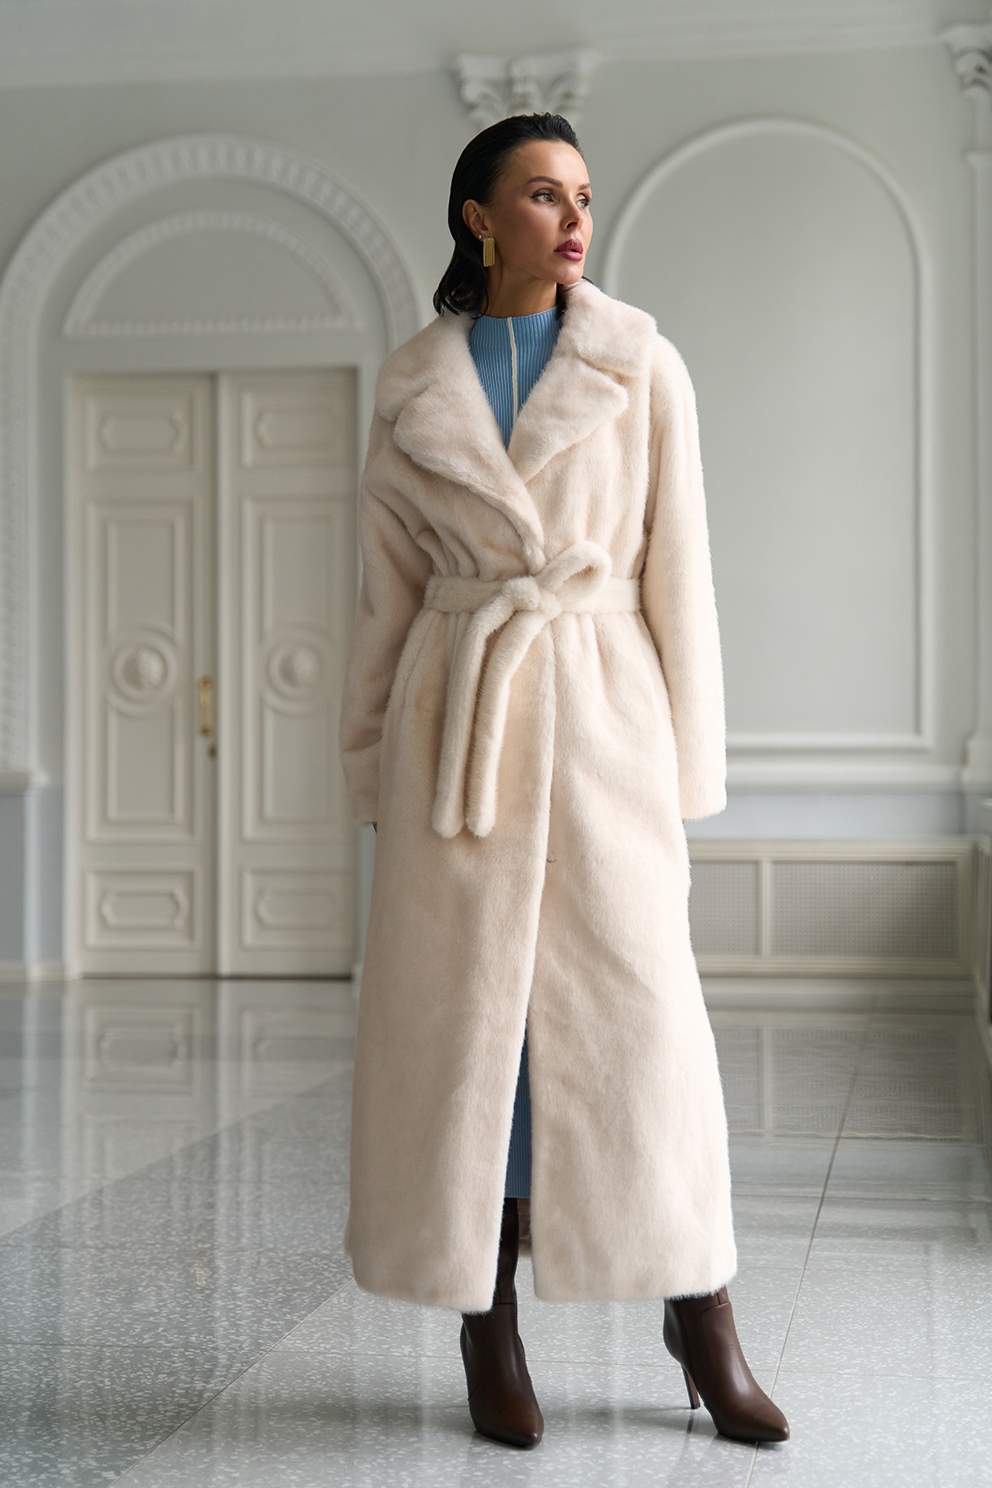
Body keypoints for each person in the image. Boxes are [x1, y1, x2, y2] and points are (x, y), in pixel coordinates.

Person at [337, 111, 789, 1451]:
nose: (575, 216)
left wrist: (681, 764)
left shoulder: (639, 363)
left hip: (601, 716)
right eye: (543, 194)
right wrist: (371, 766)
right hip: (457, 729)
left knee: (646, 1031)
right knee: (466, 1036)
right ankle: (488, 1325)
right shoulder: (413, 383)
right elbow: (383, 598)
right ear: (479, 218)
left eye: (583, 194)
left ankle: (702, 1313)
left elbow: (679, 571)